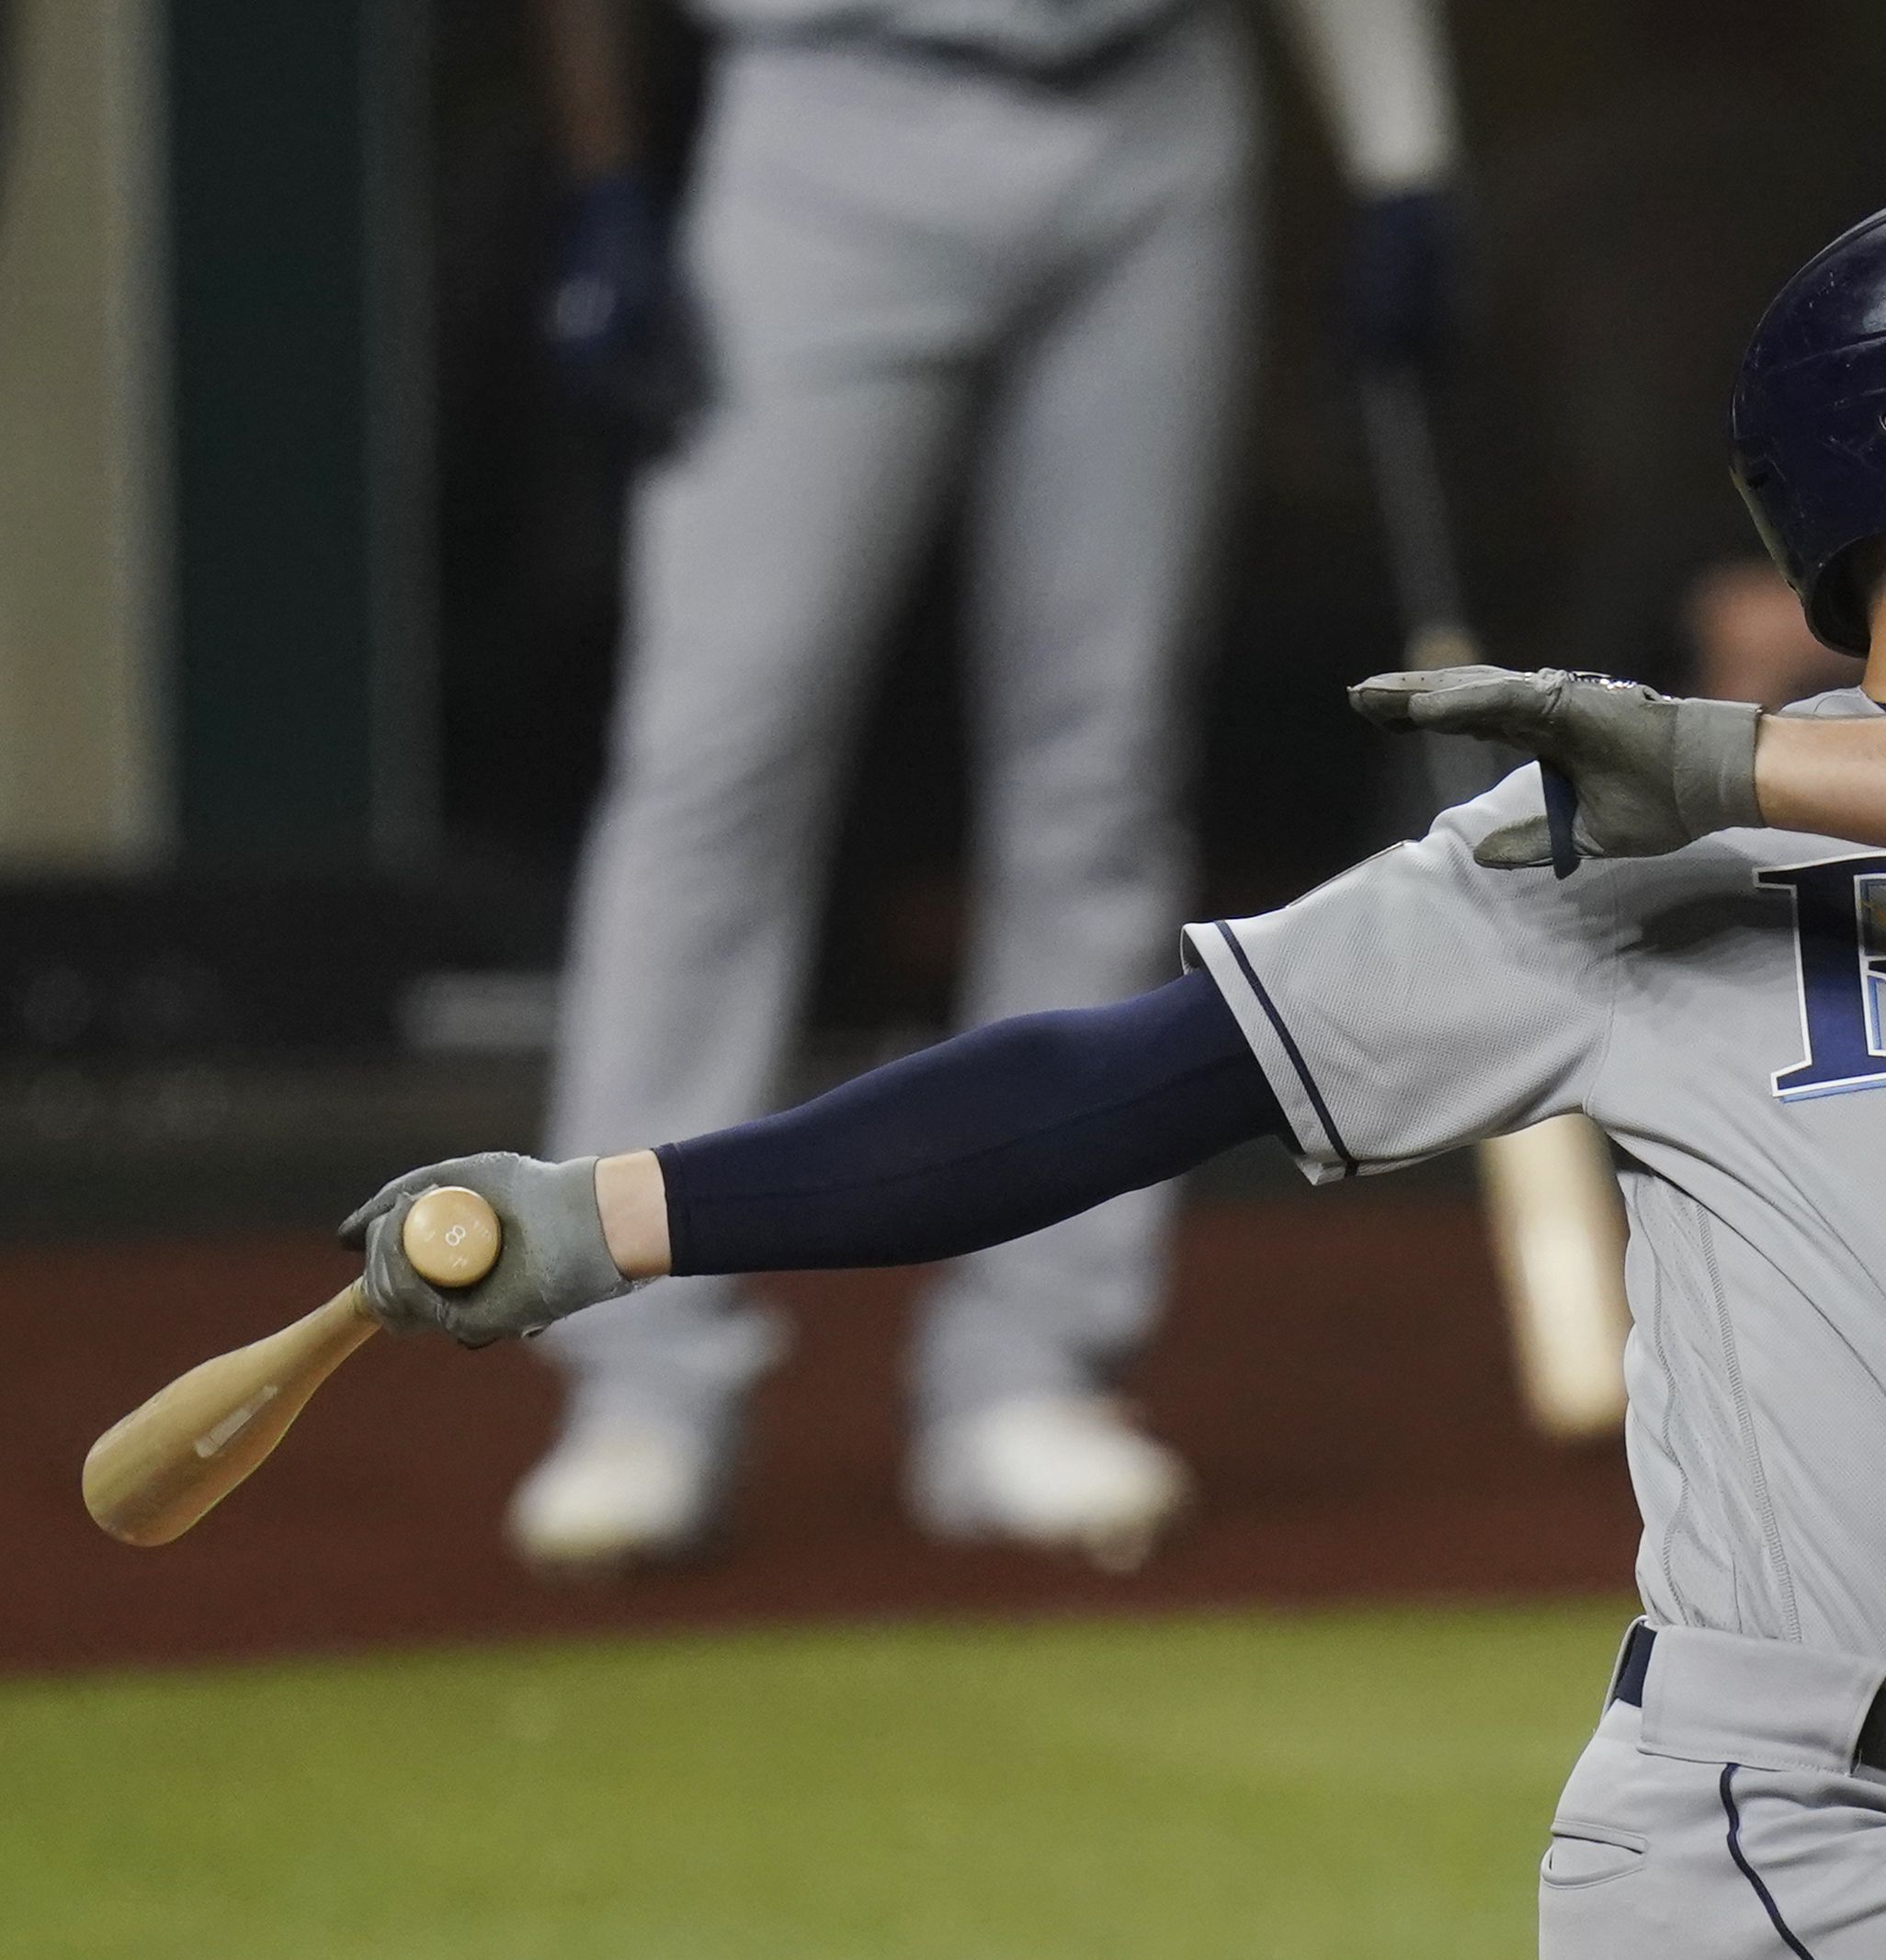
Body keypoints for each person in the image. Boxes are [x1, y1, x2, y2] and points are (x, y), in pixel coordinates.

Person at [347, 167, 1886, 1955]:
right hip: (1781, 1841)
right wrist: (613, 1210)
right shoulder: (1594, 849)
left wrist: (1732, 755)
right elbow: (1124, 1079)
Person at [509, 0, 1463, 1575]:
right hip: (826, 109)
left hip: (1152, 107)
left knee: (1101, 761)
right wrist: (602, 176)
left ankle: (1029, 1368)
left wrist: (1401, 153)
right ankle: (641, 1379)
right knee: (716, 753)